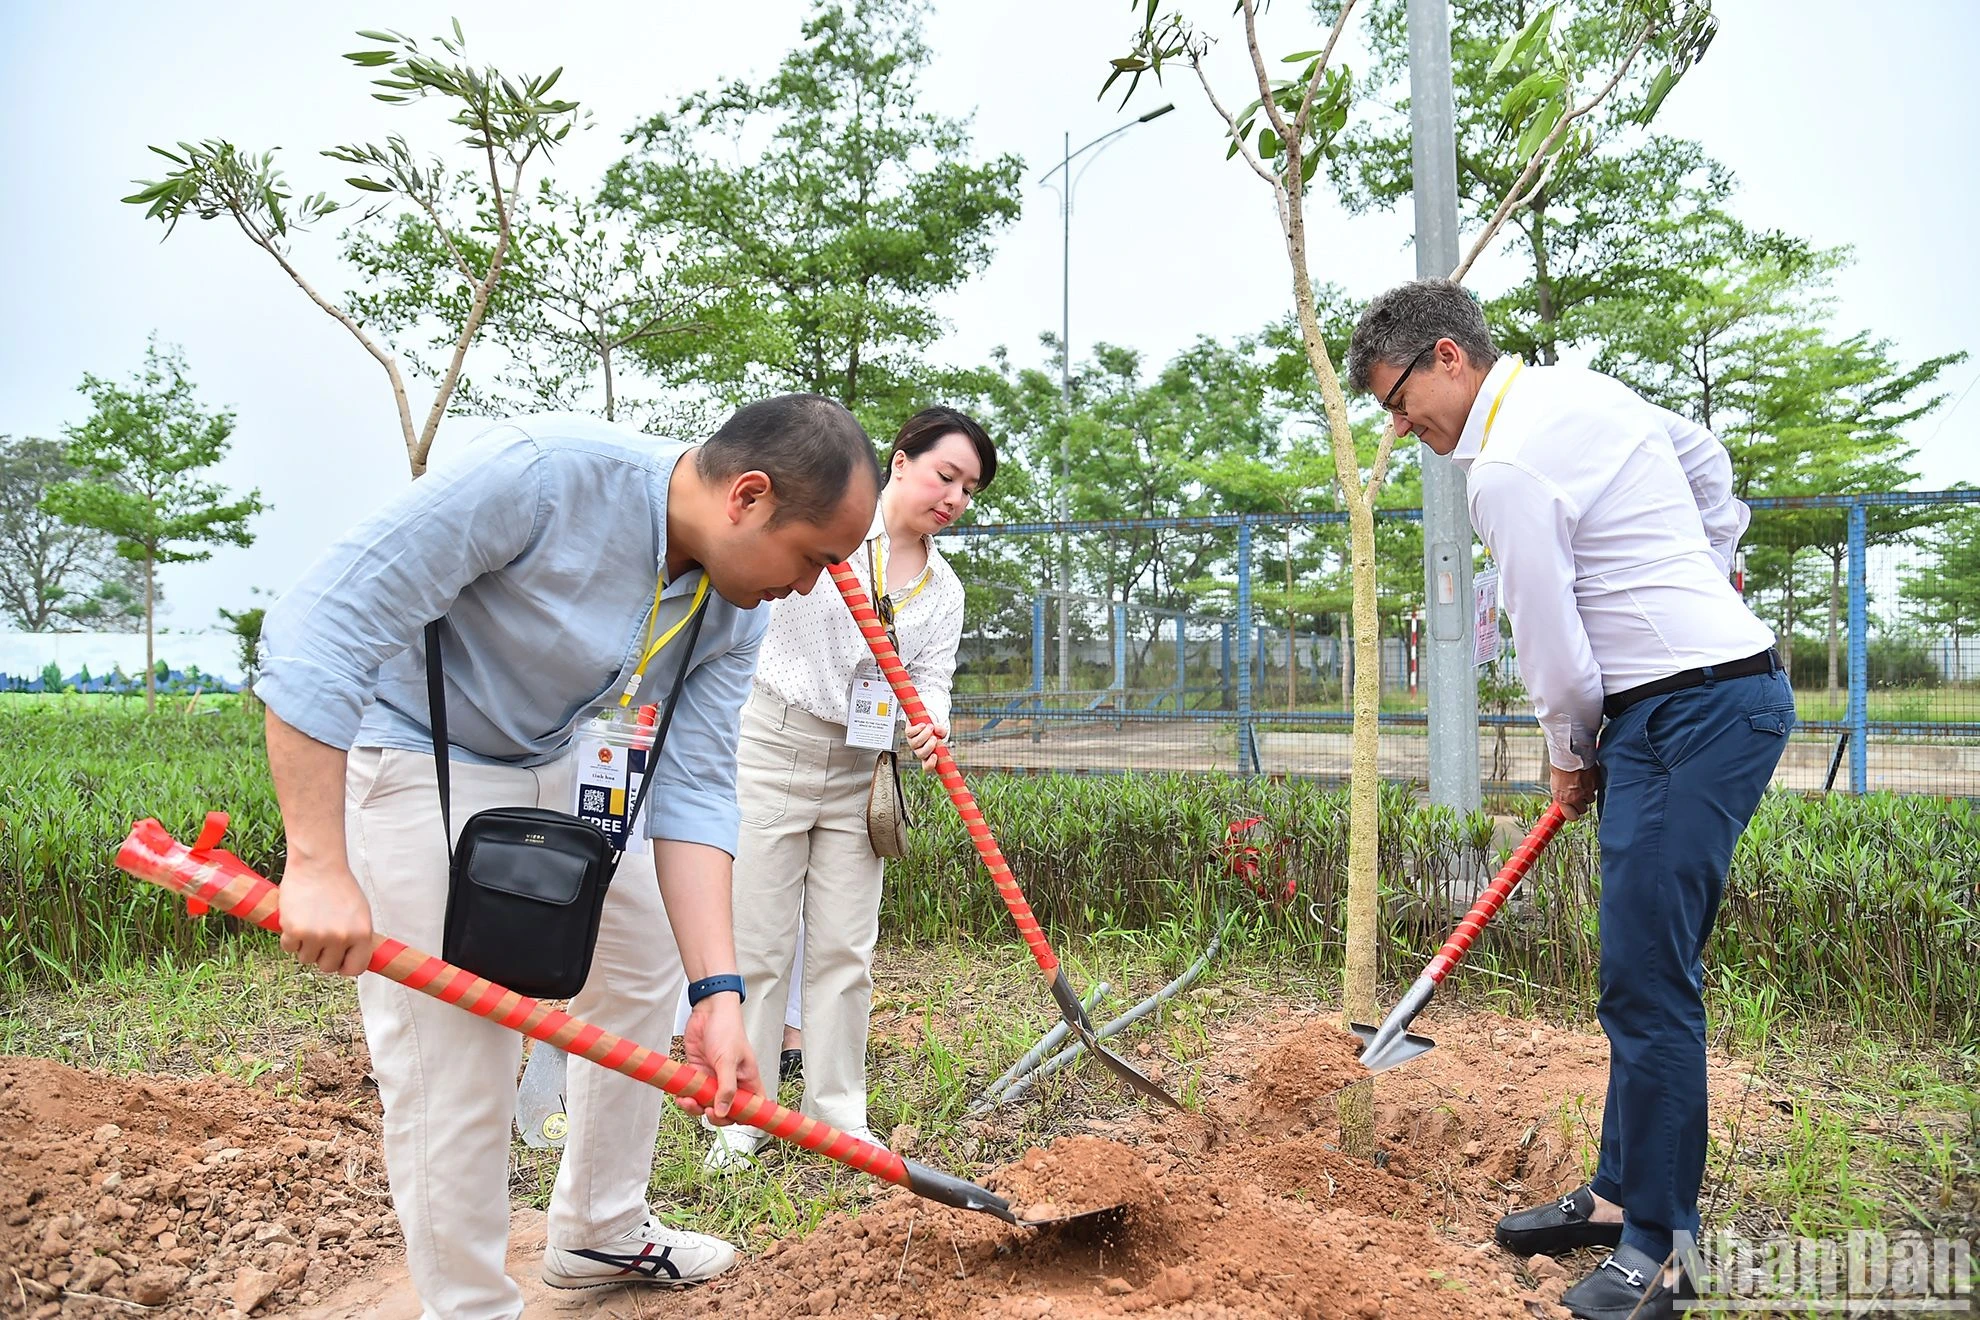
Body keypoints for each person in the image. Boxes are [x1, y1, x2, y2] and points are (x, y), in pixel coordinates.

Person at [256, 396, 880, 1320]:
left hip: (564, 757)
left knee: (639, 961)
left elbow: (698, 786)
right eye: (816, 558)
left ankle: (600, 1230)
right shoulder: (537, 474)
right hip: (421, 752)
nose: (816, 587)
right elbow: (321, 629)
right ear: (748, 497)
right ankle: (468, 1306)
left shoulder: (734, 600)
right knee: (455, 1046)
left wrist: (717, 997)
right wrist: (314, 860)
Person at [1347, 282, 1793, 1320]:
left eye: (1399, 401)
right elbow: (1704, 461)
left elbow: (1550, 641)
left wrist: (1566, 753)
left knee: (1649, 981)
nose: (1401, 427)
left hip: (1694, 713)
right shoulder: (1575, 392)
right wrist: (1715, 559)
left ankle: (1663, 1251)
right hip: (1677, 709)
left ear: (1447, 356)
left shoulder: (1503, 467)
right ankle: (1615, 1194)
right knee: (1634, 971)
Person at [704, 407, 996, 1169]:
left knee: (845, 948)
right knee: (759, 945)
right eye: (945, 474)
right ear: (900, 463)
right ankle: (744, 1118)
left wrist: (930, 725)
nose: (954, 497)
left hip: (862, 767)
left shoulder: (944, 588)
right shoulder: (833, 536)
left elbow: (929, 682)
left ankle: (838, 1114)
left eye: (968, 489)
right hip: (774, 743)